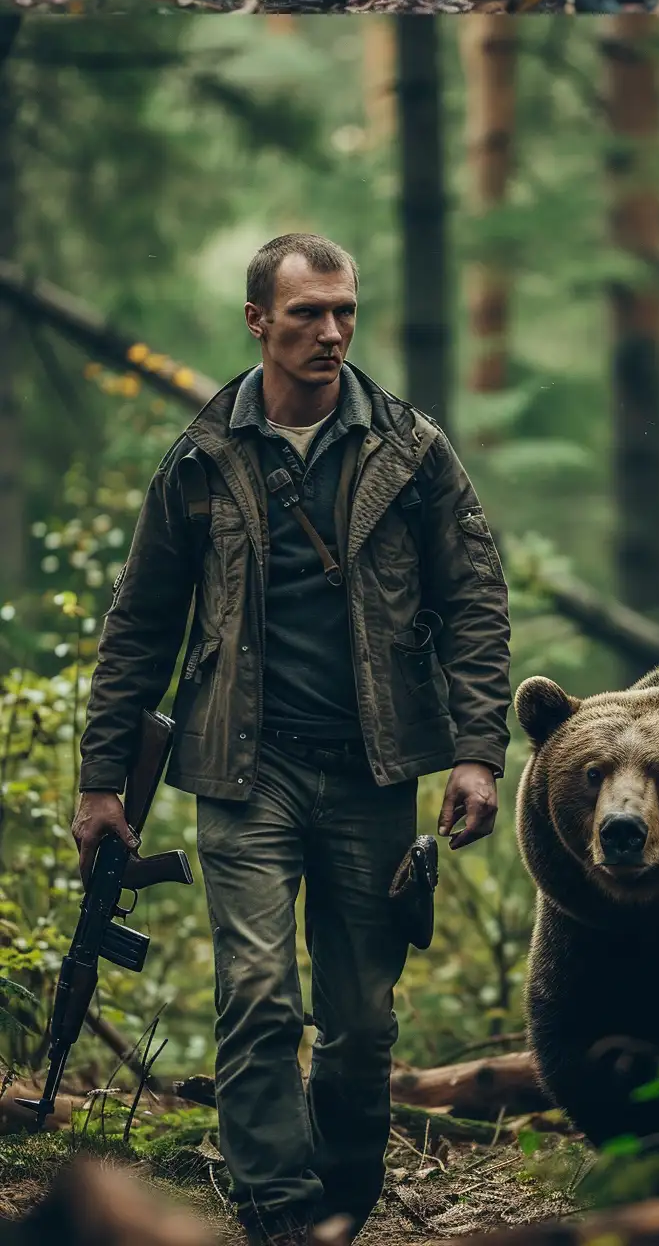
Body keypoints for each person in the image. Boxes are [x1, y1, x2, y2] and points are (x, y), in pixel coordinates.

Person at [74, 234, 512, 1246]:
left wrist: (478, 751)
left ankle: (343, 1212)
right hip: (242, 769)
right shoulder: (202, 455)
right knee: (259, 998)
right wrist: (104, 784)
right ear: (257, 321)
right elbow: (140, 624)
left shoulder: (412, 452)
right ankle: (278, 1216)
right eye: (308, 312)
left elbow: (474, 603)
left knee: (360, 1027)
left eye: (344, 311)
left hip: (370, 769)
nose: (331, 331)